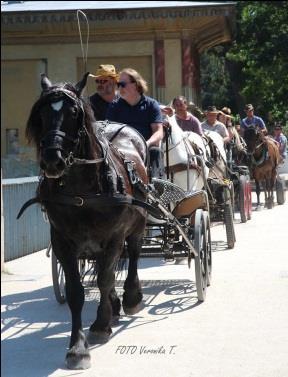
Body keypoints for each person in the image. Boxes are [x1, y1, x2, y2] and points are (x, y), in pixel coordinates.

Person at [106, 68, 164, 177]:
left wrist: (146, 144)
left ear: (136, 84)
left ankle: (156, 187)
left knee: (155, 151)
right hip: (120, 148)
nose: (119, 88)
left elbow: (158, 132)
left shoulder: (151, 105)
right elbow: (109, 130)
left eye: (123, 84)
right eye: (118, 84)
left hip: (145, 147)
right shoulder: (114, 106)